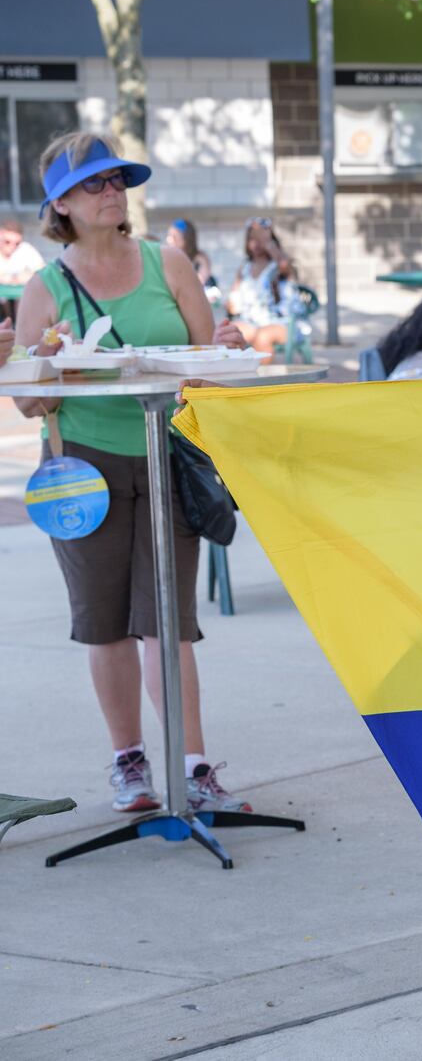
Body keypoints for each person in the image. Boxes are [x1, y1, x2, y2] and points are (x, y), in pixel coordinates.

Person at [8, 132, 251, 814]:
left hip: (166, 452)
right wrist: (43, 362)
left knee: (167, 621)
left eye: (117, 179)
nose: (113, 191)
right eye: (95, 183)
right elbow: (31, 400)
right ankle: (130, 764)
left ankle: (195, 765)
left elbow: (209, 364)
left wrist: (226, 346)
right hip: (83, 465)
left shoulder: (168, 263)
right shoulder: (46, 287)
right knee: (105, 623)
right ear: (62, 203)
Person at [226, 217, 297, 356]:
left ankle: (261, 375)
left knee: (262, 337)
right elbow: (233, 299)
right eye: (252, 239)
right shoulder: (244, 268)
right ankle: (238, 375)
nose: (257, 243)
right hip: (250, 321)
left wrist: (268, 243)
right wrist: (231, 304)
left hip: (280, 322)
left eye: (261, 239)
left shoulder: (277, 265)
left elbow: (285, 266)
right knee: (229, 335)